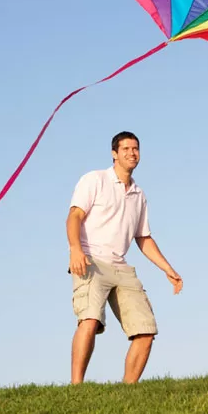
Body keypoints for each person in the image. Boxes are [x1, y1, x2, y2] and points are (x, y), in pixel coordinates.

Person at [66, 131, 183, 384]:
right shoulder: (94, 179)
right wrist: (75, 249)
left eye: (136, 149)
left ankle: (127, 391)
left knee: (146, 331)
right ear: (114, 154)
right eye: (126, 149)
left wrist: (168, 269)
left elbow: (143, 238)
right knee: (89, 320)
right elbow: (74, 215)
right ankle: (76, 389)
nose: (132, 153)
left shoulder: (139, 194)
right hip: (90, 260)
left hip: (121, 267)